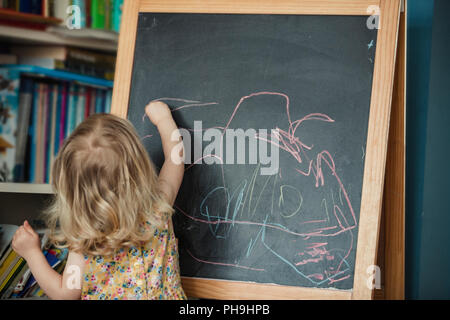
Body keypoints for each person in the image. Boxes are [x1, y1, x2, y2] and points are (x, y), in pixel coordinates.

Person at [11, 101, 187, 300]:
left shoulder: (85, 240)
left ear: (70, 190)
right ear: (139, 168)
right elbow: (175, 160)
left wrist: (32, 253)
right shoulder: (157, 208)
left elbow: (64, 293)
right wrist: (164, 120)